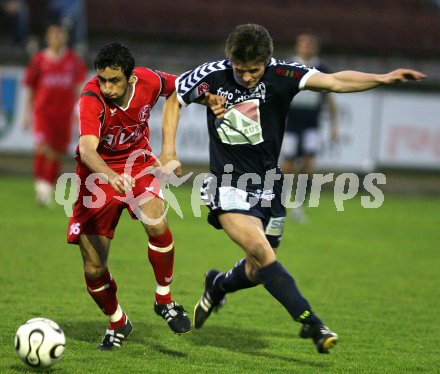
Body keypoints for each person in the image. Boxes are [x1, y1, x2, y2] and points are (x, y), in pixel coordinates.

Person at [174, 24, 425, 354]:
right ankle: (313, 324)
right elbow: (175, 94)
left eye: (254, 70)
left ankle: (218, 285)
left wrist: (381, 78)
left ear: (268, 60)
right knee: (263, 255)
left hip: (270, 185)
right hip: (227, 184)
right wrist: (169, 151)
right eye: (240, 69)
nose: (247, 77)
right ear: (229, 58)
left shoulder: (283, 73)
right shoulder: (212, 74)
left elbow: (334, 81)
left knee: (258, 267)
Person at [66, 42, 219, 350]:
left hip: (138, 165)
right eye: (102, 79)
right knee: (94, 268)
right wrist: (111, 177)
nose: (107, 87)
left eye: (114, 80)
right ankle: (118, 322)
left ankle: (164, 299)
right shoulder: (92, 96)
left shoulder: (148, 80)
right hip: (97, 177)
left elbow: (182, 87)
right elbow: (86, 149)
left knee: (156, 223)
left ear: (131, 77)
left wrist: (211, 99)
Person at [22, 22, 87, 207]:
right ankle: (41, 187)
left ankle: (45, 188)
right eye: (54, 35)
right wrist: (27, 114)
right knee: (43, 147)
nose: (57, 38)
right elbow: (32, 88)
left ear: (65, 37)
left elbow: (78, 89)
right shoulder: (39, 60)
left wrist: (79, 111)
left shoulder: (74, 61)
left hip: (64, 114)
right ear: (48, 37)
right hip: (43, 112)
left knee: (56, 153)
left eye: (60, 34)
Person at [281, 33, 338, 222]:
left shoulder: (321, 68)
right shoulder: (288, 65)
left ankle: (298, 207)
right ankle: (280, 202)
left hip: (311, 124)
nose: (306, 47)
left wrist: (334, 125)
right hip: (291, 123)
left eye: (309, 44)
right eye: (303, 43)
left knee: (307, 165)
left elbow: (329, 98)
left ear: (315, 47)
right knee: (287, 165)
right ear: (298, 46)